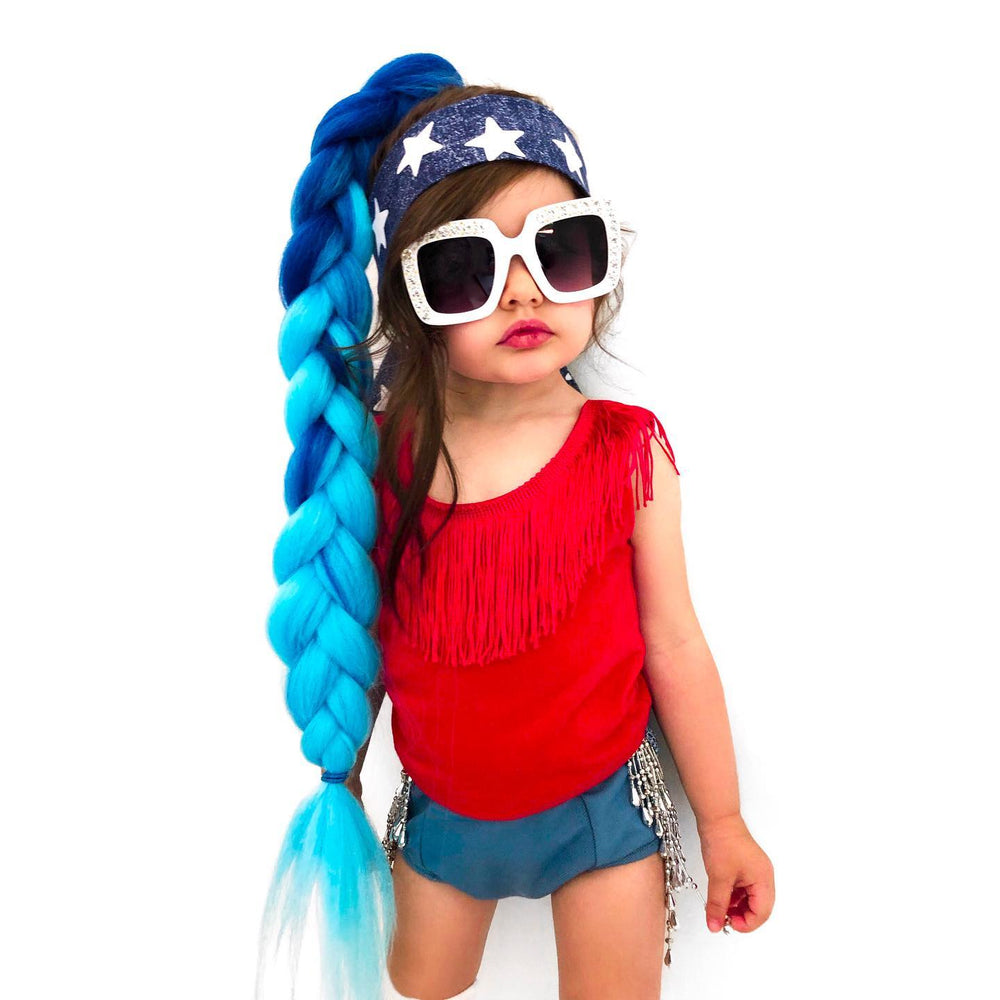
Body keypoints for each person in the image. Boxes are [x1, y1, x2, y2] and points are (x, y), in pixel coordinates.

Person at [257, 53, 775, 1000]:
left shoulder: (627, 451)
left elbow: (674, 640)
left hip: (602, 819)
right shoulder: (380, 465)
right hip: (444, 823)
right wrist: (343, 777)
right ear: (413, 300)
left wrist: (724, 821)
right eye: (467, 269)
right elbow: (356, 642)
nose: (524, 292)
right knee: (419, 983)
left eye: (560, 250)